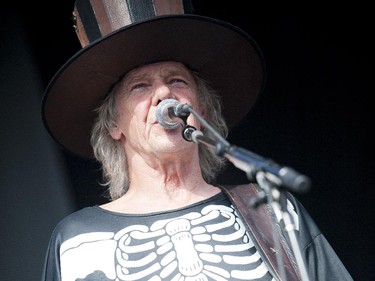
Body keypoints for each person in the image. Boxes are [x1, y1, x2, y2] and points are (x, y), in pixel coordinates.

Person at [41, 1, 353, 280]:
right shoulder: (76, 240)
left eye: (176, 80)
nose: (164, 94)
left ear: (199, 107)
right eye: (140, 86)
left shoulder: (273, 210)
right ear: (114, 124)